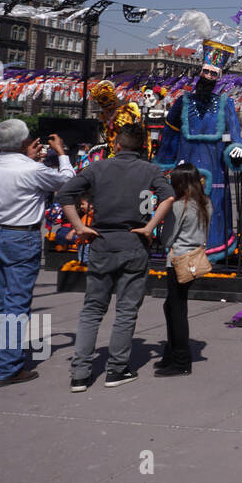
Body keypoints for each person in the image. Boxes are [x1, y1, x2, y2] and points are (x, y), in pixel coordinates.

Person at [60, 124, 173, 391]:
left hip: (102, 241)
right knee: (126, 310)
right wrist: (149, 227)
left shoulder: (98, 168)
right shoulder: (150, 170)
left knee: (92, 309)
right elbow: (168, 198)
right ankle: (117, 369)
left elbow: (64, 193)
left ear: (117, 145)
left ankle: (80, 373)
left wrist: (79, 226)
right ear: (143, 148)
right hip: (134, 242)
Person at [0, 120, 74, 386]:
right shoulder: (31, 169)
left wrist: (27, 158)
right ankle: (8, 367)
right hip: (22, 235)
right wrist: (62, 153)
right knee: (16, 303)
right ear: (23, 143)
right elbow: (67, 180)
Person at [154, 39, 242, 258]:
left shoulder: (226, 104)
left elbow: (235, 135)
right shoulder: (183, 102)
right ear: (200, 72)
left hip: (214, 169)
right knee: (183, 211)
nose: (208, 77)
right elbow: (169, 135)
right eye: (205, 71)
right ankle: (181, 253)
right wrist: (165, 163)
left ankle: (211, 253)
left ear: (218, 77)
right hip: (186, 167)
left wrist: (236, 150)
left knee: (213, 213)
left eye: (213, 73)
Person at [134, 161, 210, 376]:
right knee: (173, 306)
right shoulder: (205, 202)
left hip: (178, 260)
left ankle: (181, 360)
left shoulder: (179, 206)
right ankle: (172, 353)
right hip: (194, 258)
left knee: (176, 310)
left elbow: (167, 238)